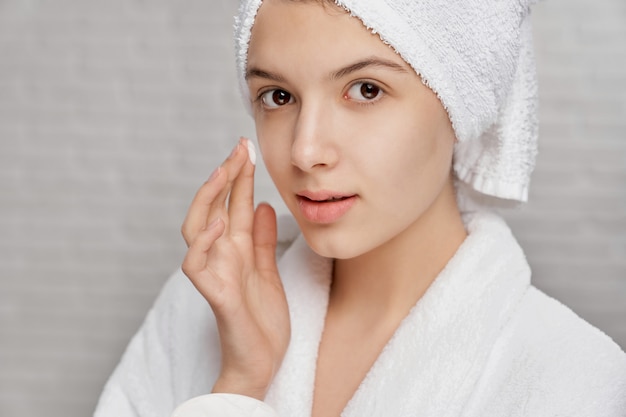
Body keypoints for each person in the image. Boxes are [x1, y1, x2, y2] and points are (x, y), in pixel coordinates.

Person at [94, 0, 626, 416]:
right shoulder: (198, 310)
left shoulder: (573, 376)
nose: (305, 151)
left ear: (460, 104)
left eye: (365, 89)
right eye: (277, 97)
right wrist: (240, 385)